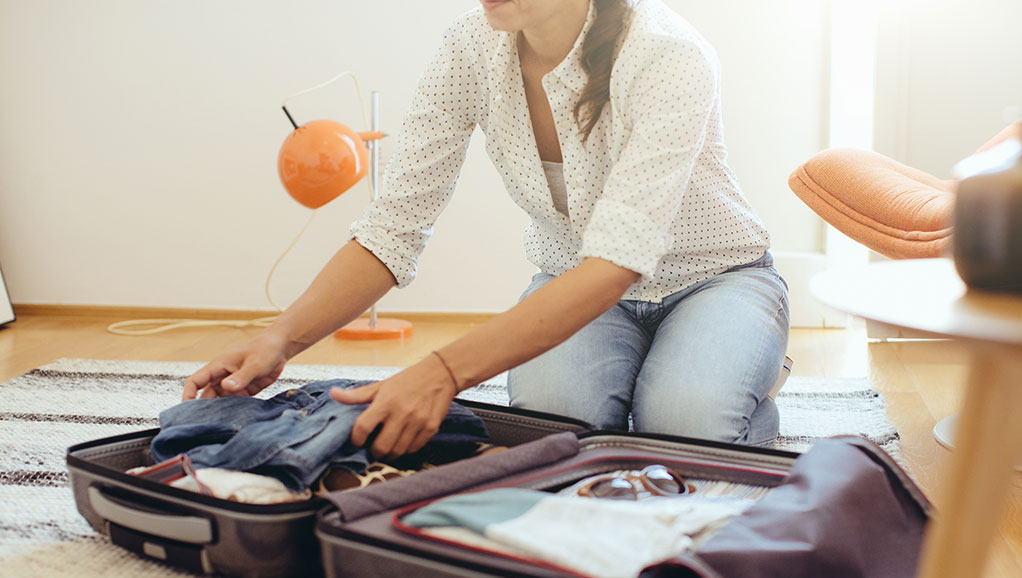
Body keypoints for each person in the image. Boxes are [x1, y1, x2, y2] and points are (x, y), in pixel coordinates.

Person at [183, 0, 790, 461]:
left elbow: (614, 265)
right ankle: (667, 381)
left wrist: (443, 372)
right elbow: (393, 226)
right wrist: (280, 339)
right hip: (572, 285)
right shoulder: (470, 49)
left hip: (717, 281)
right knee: (555, 434)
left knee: (685, 431)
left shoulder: (668, 54)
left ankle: (742, 388)